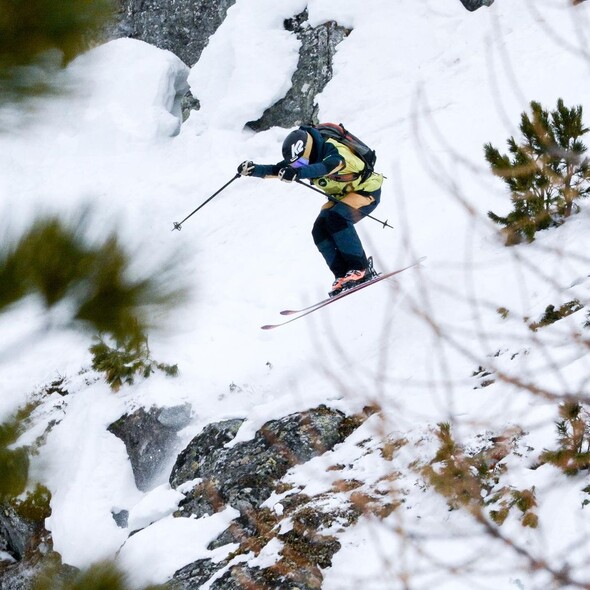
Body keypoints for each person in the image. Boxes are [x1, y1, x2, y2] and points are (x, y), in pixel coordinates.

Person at [238, 125, 384, 297]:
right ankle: (342, 275)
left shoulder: (332, 149)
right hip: (341, 196)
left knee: (337, 218)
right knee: (320, 230)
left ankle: (360, 269)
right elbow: (279, 170)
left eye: (300, 162)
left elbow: (328, 166)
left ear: (307, 151)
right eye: (297, 164)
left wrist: (298, 171)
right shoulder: (307, 159)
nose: (299, 166)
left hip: (366, 191)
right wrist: (253, 170)